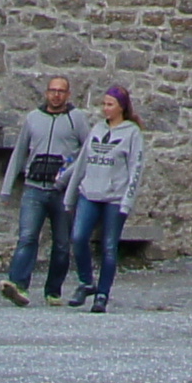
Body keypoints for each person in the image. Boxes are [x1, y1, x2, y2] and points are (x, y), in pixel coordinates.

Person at [0, 72, 86, 305]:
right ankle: (17, 285)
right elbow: (19, 153)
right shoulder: (33, 118)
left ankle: (53, 290)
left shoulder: (76, 119)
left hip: (63, 192)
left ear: (67, 95)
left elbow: (86, 153)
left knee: (61, 243)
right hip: (34, 187)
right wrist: (7, 188)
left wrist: (68, 178)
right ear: (46, 93)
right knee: (27, 237)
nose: (56, 95)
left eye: (61, 91)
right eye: (52, 90)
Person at [60, 85, 145, 310]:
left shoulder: (132, 133)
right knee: (78, 237)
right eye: (104, 104)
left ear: (121, 107)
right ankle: (86, 282)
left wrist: (127, 201)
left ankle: (103, 294)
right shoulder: (97, 129)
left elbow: (136, 168)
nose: (105, 109)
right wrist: (70, 196)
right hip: (89, 192)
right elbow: (82, 163)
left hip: (114, 197)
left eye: (110, 104)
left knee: (109, 246)